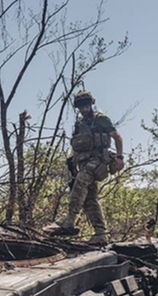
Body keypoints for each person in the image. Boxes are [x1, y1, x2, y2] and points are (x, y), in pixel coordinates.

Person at [45, 90, 124, 246]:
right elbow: (76, 146)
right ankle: (100, 233)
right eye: (80, 106)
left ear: (91, 104)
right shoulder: (79, 124)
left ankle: (70, 219)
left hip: (98, 161)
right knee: (89, 199)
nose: (84, 109)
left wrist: (120, 158)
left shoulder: (100, 119)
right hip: (83, 162)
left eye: (86, 105)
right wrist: (73, 161)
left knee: (80, 184)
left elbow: (117, 136)